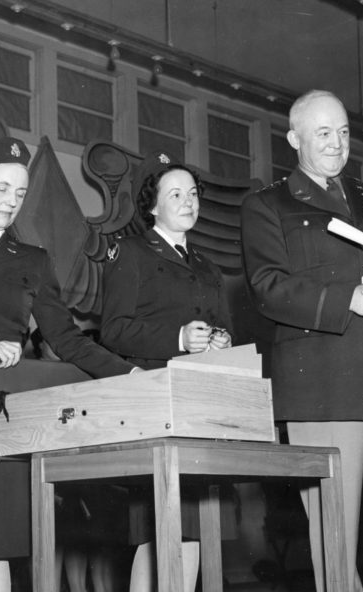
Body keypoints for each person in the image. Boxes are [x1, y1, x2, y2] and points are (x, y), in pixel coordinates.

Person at [0, 136, 137, 592]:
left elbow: (66, 339)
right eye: (1, 189)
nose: (11, 202)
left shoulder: (34, 261)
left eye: (20, 194)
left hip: (2, 418)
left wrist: (130, 375)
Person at [240, 89, 363, 592]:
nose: (336, 143)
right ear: (294, 138)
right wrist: (349, 297)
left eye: (343, 132)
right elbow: (268, 288)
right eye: (323, 132)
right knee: (334, 544)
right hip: (323, 386)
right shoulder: (266, 205)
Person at [101, 151, 234, 592]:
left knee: (195, 525)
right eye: (175, 193)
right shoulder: (133, 253)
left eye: (193, 193)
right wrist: (177, 339)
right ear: (152, 206)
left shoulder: (209, 267)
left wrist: (222, 343)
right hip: (156, 405)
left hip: (202, 404)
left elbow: (225, 330)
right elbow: (113, 331)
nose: (188, 201)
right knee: (155, 531)